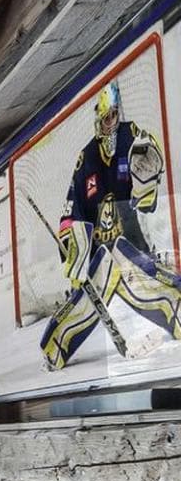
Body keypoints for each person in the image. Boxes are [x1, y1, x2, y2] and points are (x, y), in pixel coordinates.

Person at [38, 79, 173, 369]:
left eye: (115, 114)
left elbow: (148, 195)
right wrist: (74, 253)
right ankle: (56, 347)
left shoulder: (132, 136)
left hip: (133, 246)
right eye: (106, 117)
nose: (111, 122)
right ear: (98, 119)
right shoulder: (86, 158)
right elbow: (72, 211)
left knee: (156, 290)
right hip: (100, 255)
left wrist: (147, 182)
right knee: (87, 297)